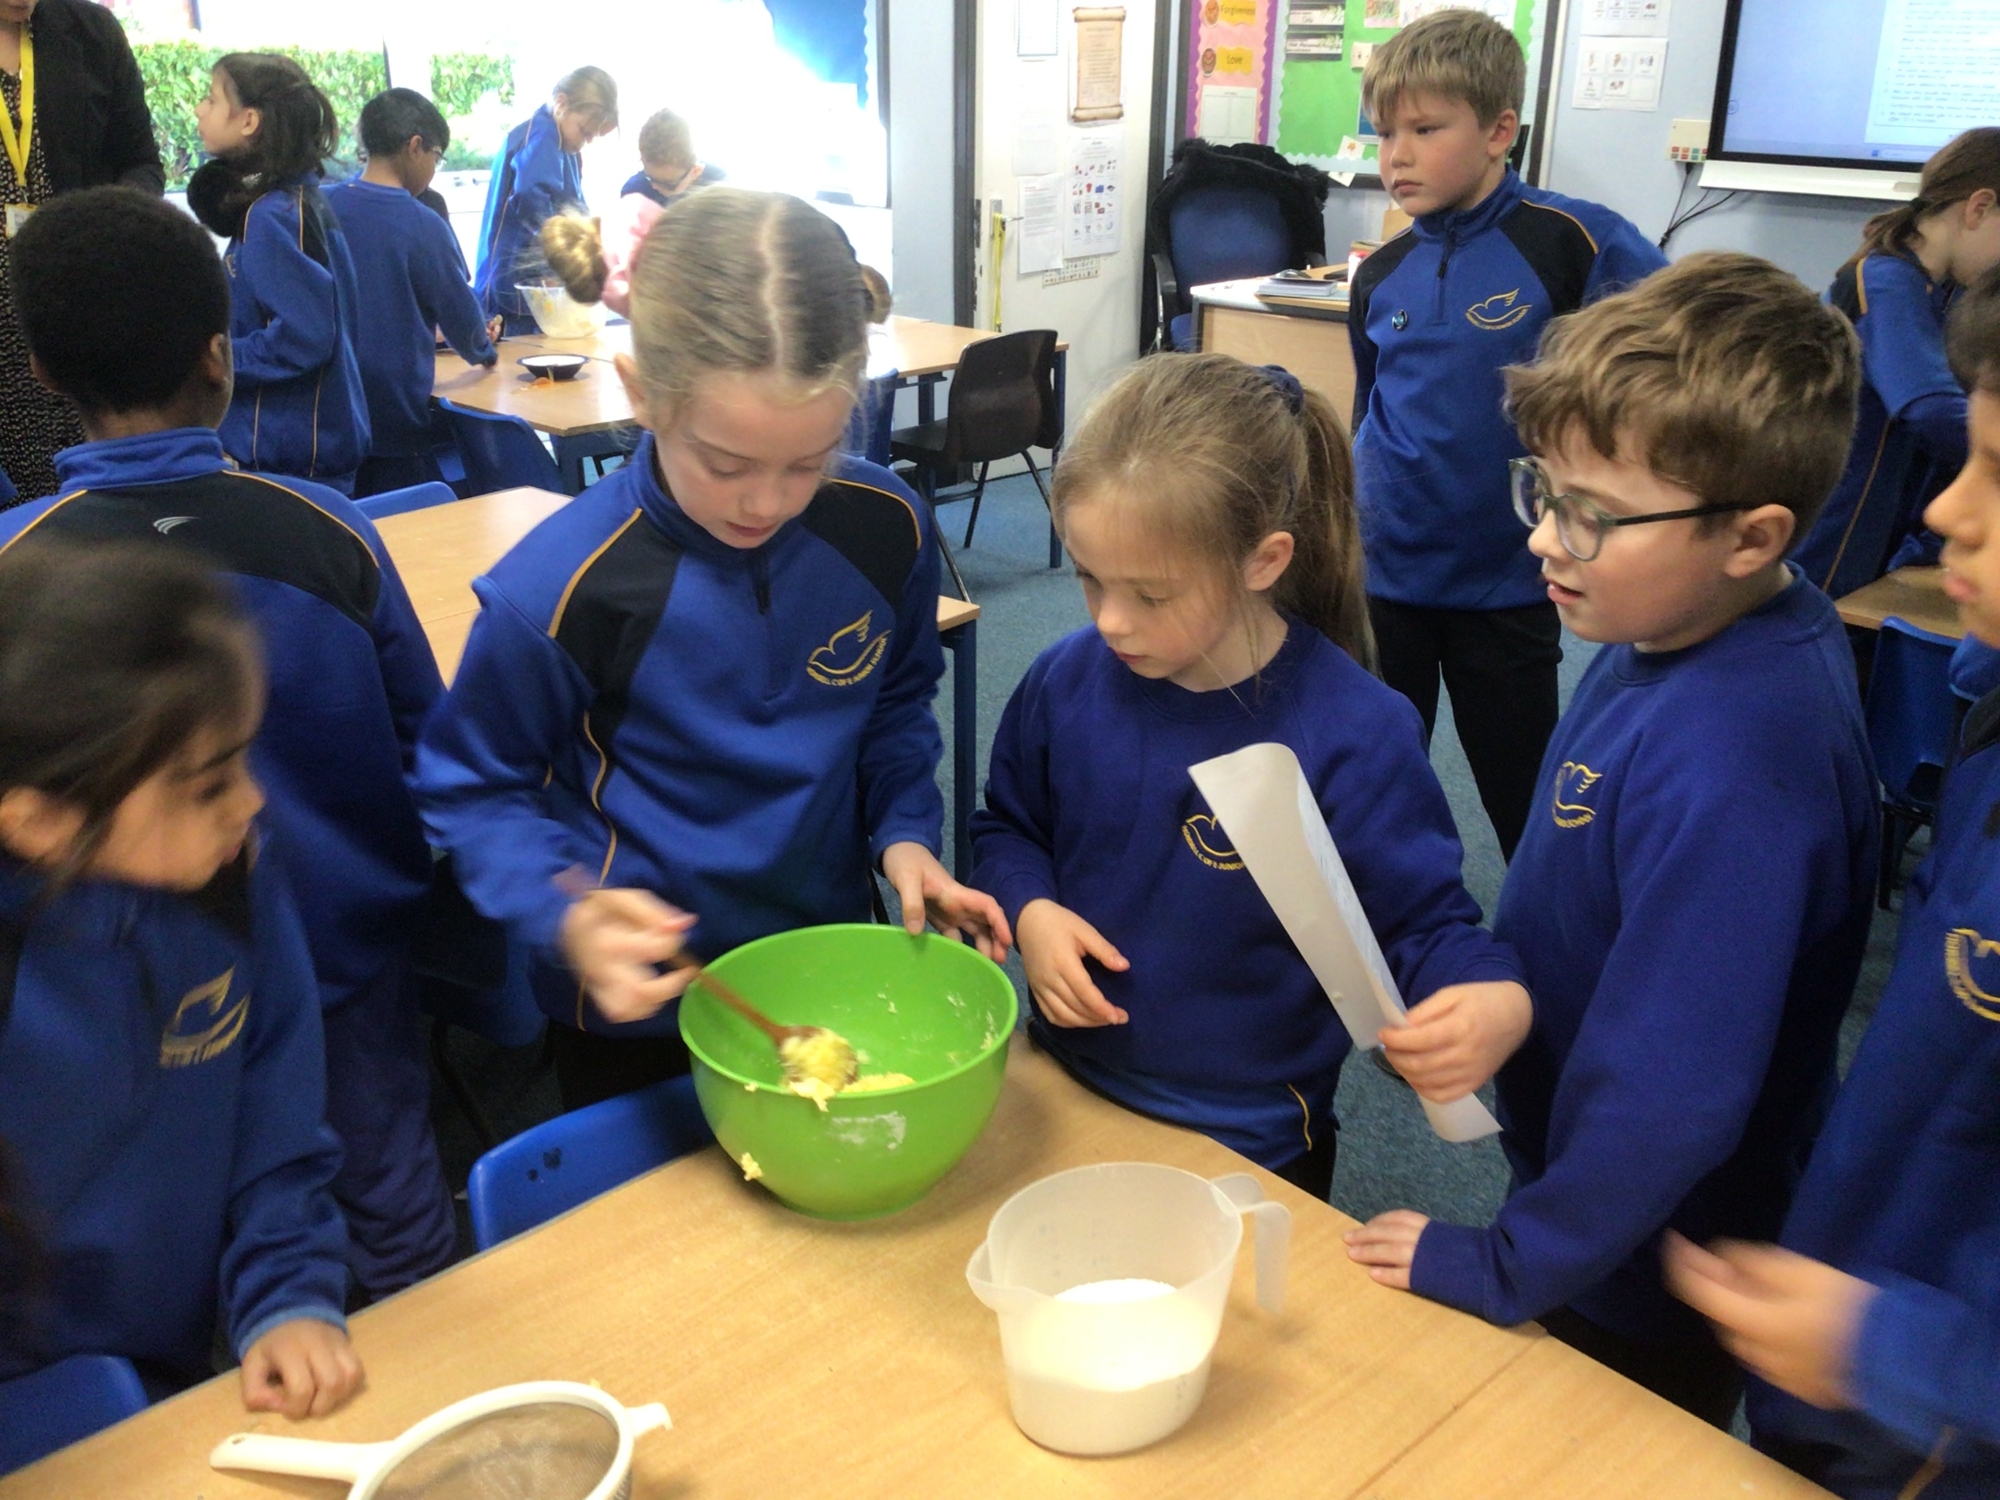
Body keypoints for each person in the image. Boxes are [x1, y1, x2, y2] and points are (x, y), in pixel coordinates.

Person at [1345, 253, 1878, 1428]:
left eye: (1591, 514)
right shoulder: (1664, 630)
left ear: (1749, 537)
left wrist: (1509, 1263)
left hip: (1648, 1254)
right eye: (1542, 490)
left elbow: (1670, 1098)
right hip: (1589, 1198)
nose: (1545, 538)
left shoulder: (1741, 761)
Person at [419, 187, 1007, 1111]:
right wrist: (562, 909)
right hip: (638, 1016)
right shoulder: (560, 588)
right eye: (725, 464)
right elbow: (470, 787)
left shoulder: (883, 525)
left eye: (808, 462)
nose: (765, 502)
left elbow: (895, 704)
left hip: (822, 963)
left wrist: (903, 832)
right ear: (642, 393)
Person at [3, 186, 457, 1301]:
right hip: (350, 970)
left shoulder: (18, 573)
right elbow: (435, 752)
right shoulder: (332, 531)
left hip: (112, 1017)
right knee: (400, 1244)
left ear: (45, 374)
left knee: (126, 1273)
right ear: (221, 357)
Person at [969, 353, 1530, 1201]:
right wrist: (1032, 908)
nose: (1111, 621)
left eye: (1151, 595)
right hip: (1061, 1084)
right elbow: (1010, 827)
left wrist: (1489, 998)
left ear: (1263, 562)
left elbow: (1417, 924)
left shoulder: (1355, 731)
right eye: (1089, 579)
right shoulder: (1064, 679)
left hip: (1249, 1130)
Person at [1666, 266, 2000, 1500]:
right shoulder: (1986, 712)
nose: (1944, 509)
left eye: (1999, 474)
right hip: (1852, 1325)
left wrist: (1896, 1353)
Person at [0, 537, 362, 1417]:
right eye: (208, 786)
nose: (253, 802)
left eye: (244, 760)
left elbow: (278, 1114)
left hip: (175, 1359)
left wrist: (288, 1292)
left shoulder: (229, 879)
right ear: (41, 823)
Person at [1349, 8, 1665, 860]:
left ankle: (1546, 933)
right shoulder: (1381, 274)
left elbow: (1674, 357)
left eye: (1424, 130)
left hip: (1509, 580)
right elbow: (1371, 408)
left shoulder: (1572, 240)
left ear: (1498, 131)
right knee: (1374, 790)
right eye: (1384, 133)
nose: (1397, 156)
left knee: (1527, 799)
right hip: (1386, 576)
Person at [1794, 129, 2000, 602]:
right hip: (1836, 530)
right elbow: (1930, 409)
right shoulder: (1885, 282)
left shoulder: (1946, 289)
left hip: (1888, 525)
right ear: (1978, 208)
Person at [0, 0, 162, 505]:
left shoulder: (90, 31)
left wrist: (104, 226)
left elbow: (142, 162)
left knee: (106, 504)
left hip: (83, 306)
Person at [189, 52, 370, 495]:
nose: (198, 109)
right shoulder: (298, 202)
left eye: (212, 99)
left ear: (249, 120)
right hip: (304, 446)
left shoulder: (270, 216)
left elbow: (303, 338)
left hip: (287, 455)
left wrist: (215, 359)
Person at [327, 87, 500, 497]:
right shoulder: (421, 223)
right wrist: (484, 351)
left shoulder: (321, 206)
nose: (434, 170)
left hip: (330, 413)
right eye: (437, 158)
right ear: (416, 147)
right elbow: (461, 317)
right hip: (394, 415)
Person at [474, 66, 617, 333]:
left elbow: (573, 208)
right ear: (561, 103)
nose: (585, 142)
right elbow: (532, 196)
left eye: (592, 137)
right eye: (584, 131)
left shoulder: (563, 143)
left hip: (529, 283)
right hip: (514, 286)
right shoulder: (543, 136)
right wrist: (561, 262)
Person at [621, 107, 716, 209]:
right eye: (649, 177)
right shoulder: (634, 192)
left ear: (696, 171)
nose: (654, 186)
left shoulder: (716, 189)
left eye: (667, 184)